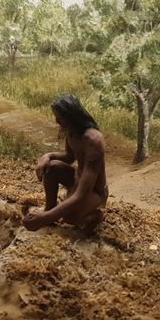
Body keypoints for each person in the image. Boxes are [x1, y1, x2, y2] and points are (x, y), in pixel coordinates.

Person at [22, 93, 108, 232]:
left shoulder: (93, 140)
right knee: (51, 168)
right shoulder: (71, 131)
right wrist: (48, 156)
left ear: (71, 116)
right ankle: (50, 208)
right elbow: (69, 157)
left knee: (69, 218)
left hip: (94, 191)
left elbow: (81, 194)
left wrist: (44, 219)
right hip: (77, 180)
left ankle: (96, 215)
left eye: (60, 118)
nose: (57, 121)